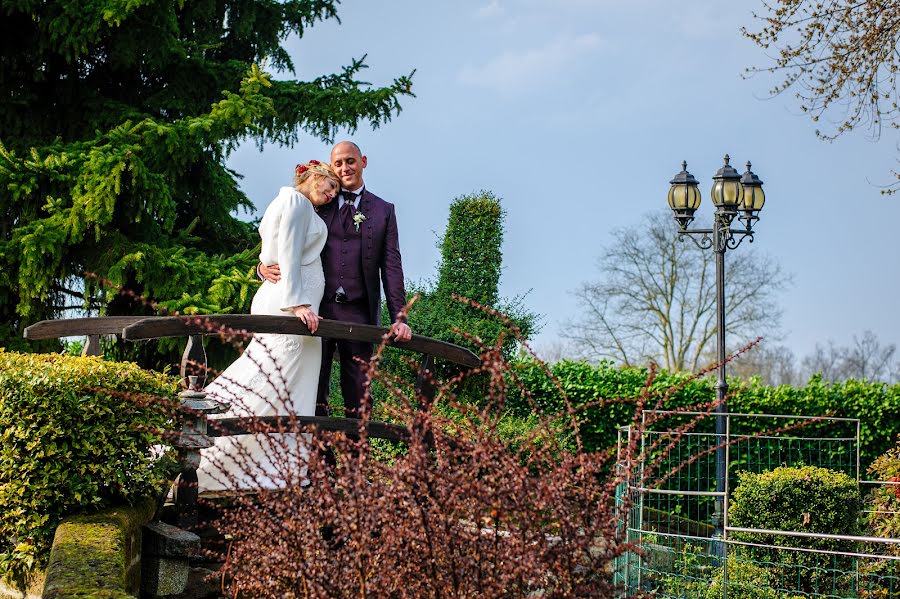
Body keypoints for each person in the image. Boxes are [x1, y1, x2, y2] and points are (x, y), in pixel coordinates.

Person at [196, 160, 339, 492]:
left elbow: (271, 253)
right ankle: (211, 446)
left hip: (292, 301)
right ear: (315, 177)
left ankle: (273, 465)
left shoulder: (288, 201)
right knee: (269, 377)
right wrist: (298, 302)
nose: (332, 194)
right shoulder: (295, 202)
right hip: (291, 306)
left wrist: (265, 268)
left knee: (283, 383)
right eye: (330, 186)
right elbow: (286, 251)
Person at [259, 141, 412, 421]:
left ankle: (356, 461)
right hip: (318, 309)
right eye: (338, 163)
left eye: (350, 161)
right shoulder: (318, 201)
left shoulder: (383, 210)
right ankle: (320, 461)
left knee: (359, 391)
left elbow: (391, 266)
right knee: (314, 387)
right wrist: (263, 266)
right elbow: (282, 234)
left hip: (359, 312)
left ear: (363, 161)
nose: (345, 168)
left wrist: (399, 317)